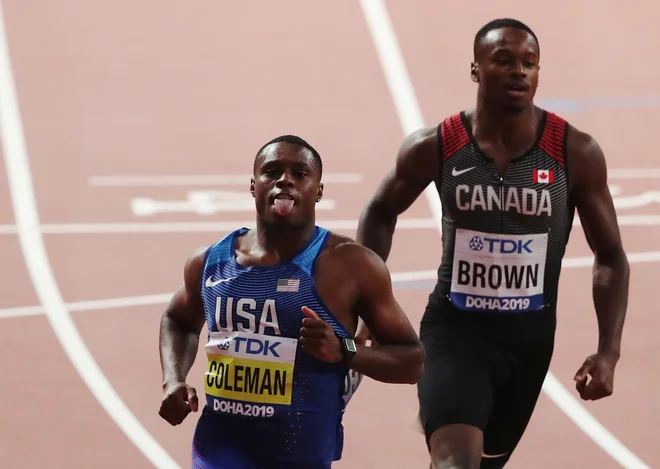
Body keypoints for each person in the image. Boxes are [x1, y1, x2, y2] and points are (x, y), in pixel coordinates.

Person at [356, 18, 630, 469]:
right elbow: (380, 211)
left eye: (529, 63)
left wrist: (608, 351)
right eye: (503, 60)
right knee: (455, 464)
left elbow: (612, 258)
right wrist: (368, 305)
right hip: (454, 332)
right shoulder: (438, 145)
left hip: (529, 343)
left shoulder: (573, 152)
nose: (519, 71)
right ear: (476, 70)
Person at [157, 134, 425, 469]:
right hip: (221, 445)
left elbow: (412, 361)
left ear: (319, 191)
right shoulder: (210, 262)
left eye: (299, 173)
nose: (285, 180)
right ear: (254, 186)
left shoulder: (351, 266)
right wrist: (174, 379)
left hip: (301, 452)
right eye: (272, 171)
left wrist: (344, 351)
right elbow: (178, 321)